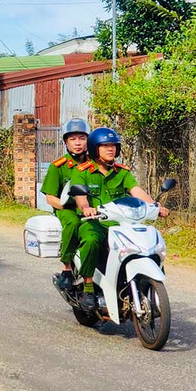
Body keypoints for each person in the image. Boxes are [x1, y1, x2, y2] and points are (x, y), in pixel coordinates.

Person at [70, 127, 169, 311]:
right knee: (91, 241)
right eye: (105, 146)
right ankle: (89, 288)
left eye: (113, 146)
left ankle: (147, 287)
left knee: (146, 244)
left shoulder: (122, 172)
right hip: (95, 222)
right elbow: (80, 198)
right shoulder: (82, 171)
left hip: (122, 224)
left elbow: (135, 191)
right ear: (94, 149)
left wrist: (154, 206)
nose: (110, 149)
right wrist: (86, 208)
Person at [40, 119, 91, 291]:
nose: (78, 143)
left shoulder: (94, 165)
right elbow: (50, 198)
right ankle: (67, 268)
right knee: (73, 223)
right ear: (66, 142)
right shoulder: (58, 167)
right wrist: (69, 207)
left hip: (92, 209)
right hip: (67, 210)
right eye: (73, 139)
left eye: (82, 138)